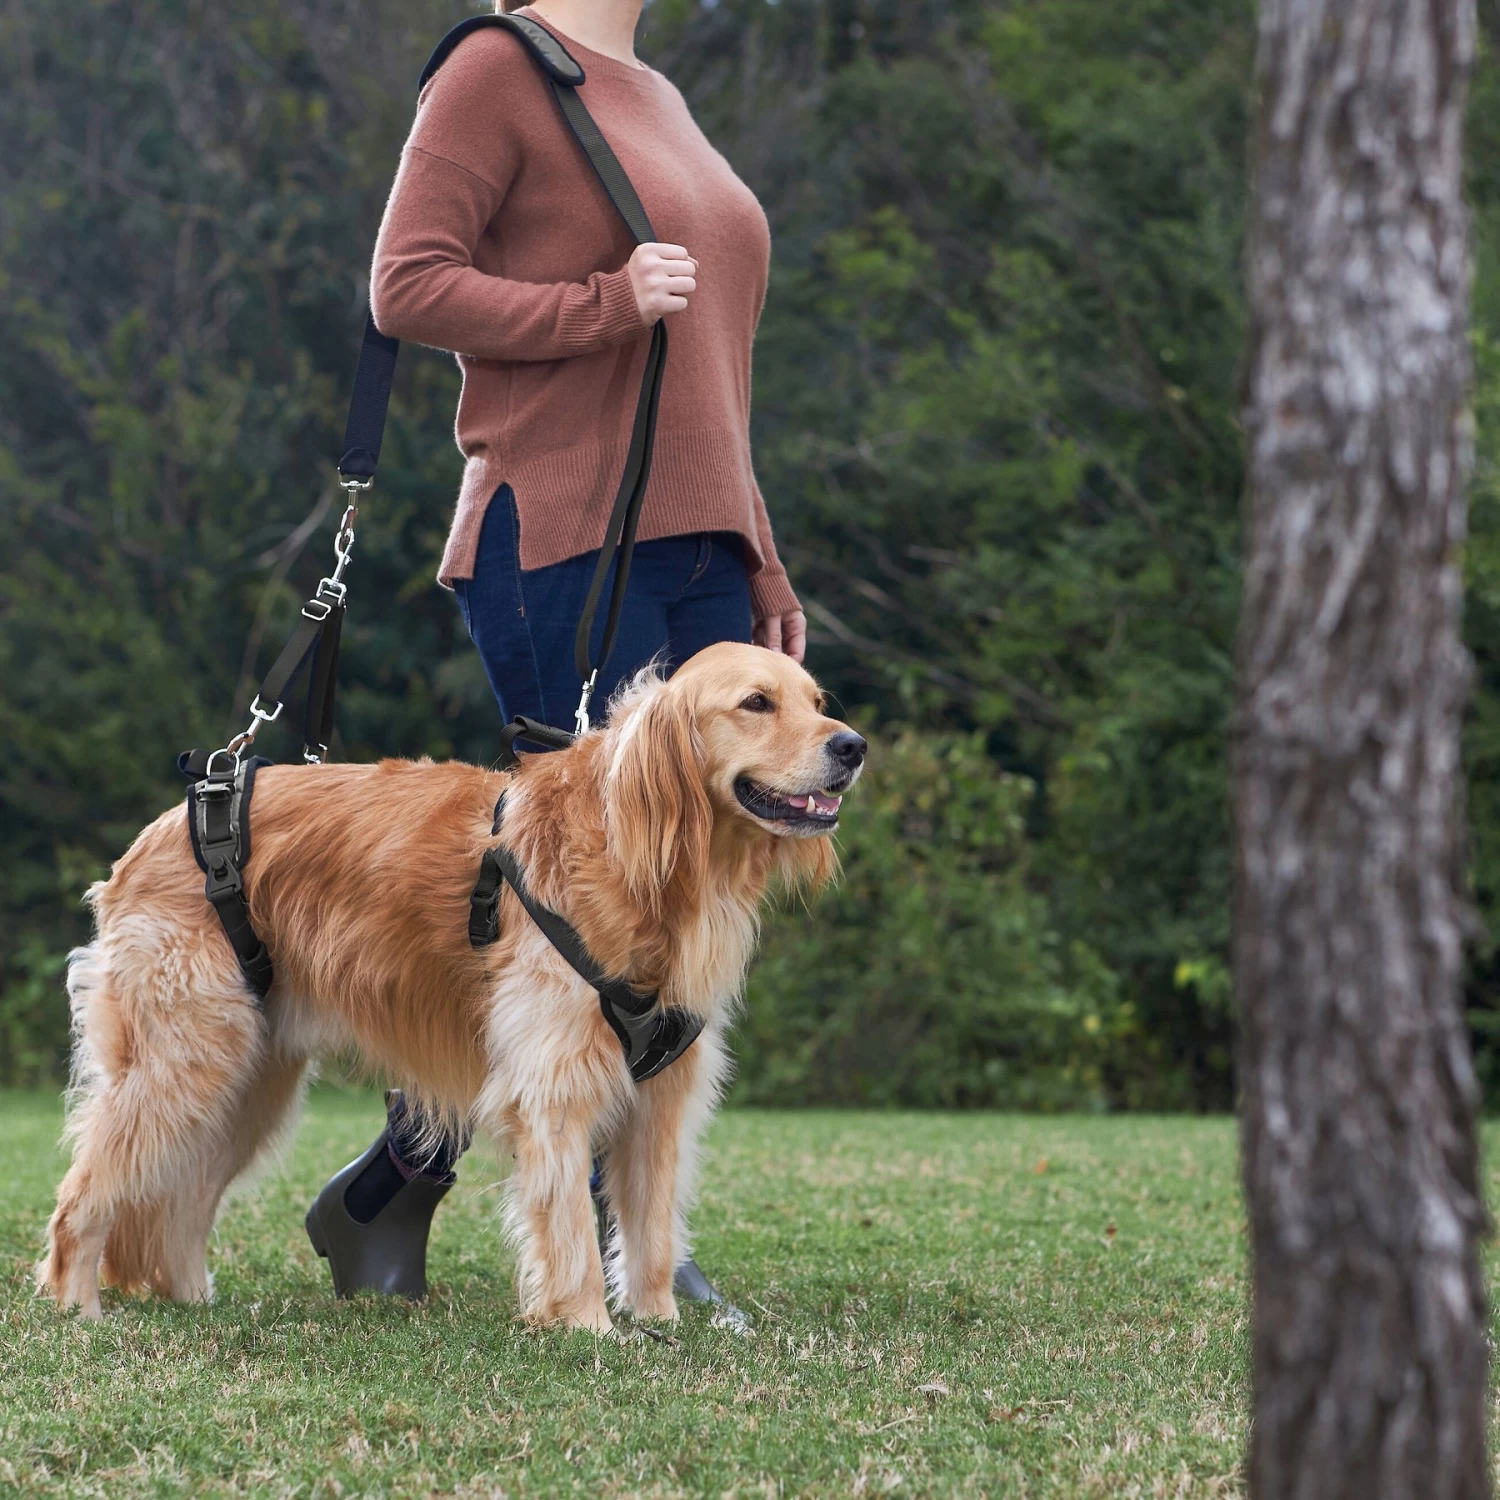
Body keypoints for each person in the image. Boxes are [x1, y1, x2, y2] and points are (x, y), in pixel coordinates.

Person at [304, 0, 805, 1318]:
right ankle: (607, 1262)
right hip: (567, 541)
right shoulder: (496, 68)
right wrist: (604, 298)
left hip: (703, 550)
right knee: (583, 923)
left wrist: (760, 554)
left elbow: (708, 371)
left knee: (675, 911)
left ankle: (380, 1203)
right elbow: (402, 284)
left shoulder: (654, 90)